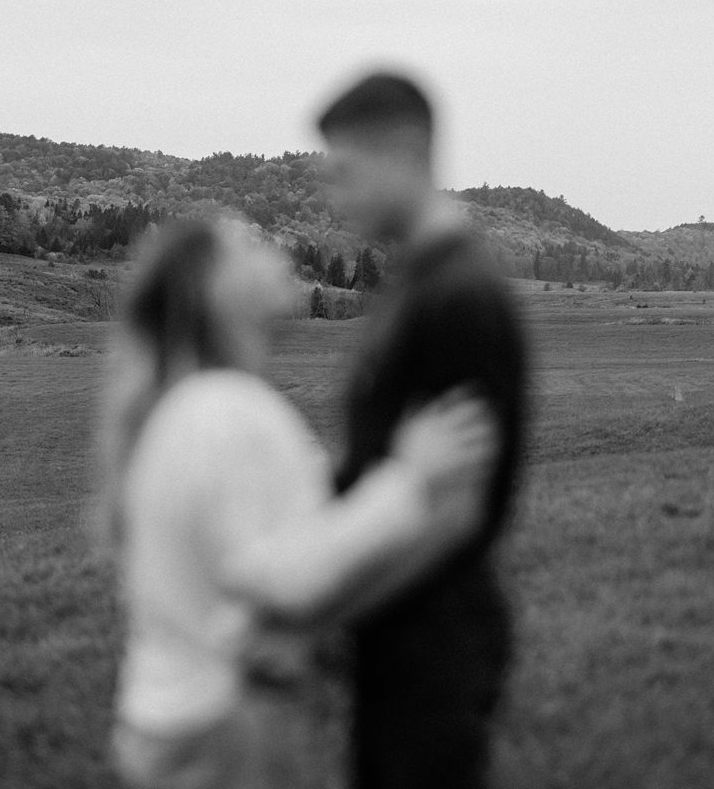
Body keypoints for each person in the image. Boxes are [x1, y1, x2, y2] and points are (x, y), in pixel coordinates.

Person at [97, 217, 500, 789]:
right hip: (224, 729)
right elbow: (288, 577)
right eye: (249, 244)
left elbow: (270, 548)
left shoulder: (193, 407)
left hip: (180, 721)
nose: (273, 249)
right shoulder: (225, 408)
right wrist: (410, 478)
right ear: (216, 290)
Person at [318, 72, 529, 788]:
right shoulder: (419, 277)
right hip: (397, 637)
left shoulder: (459, 295)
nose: (333, 195)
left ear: (407, 152)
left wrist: (327, 614)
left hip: (434, 642)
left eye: (346, 171)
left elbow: (457, 511)